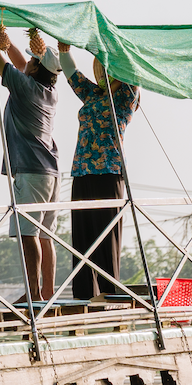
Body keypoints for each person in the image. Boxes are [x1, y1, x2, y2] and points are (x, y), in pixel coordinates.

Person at [0, 28, 60, 302]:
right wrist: (7, 39)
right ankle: (47, 292)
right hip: (50, 171)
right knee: (45, 235)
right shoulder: (49, 91)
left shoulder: (25, 87)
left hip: (31, 171)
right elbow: (20, 63)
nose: (26, 63)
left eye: (32, 62)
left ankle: (34, 293)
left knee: (29, 235)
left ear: (36, 69)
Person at [60, 42, 140, 301]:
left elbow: (134, 72)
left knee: (107, 239)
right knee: (82, 239)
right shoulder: (93, 95)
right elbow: (72, 74)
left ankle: (109, 296)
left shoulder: (126, 97)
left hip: (109, 173)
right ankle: (84, 297)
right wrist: (64, 49)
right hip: (82, 172)